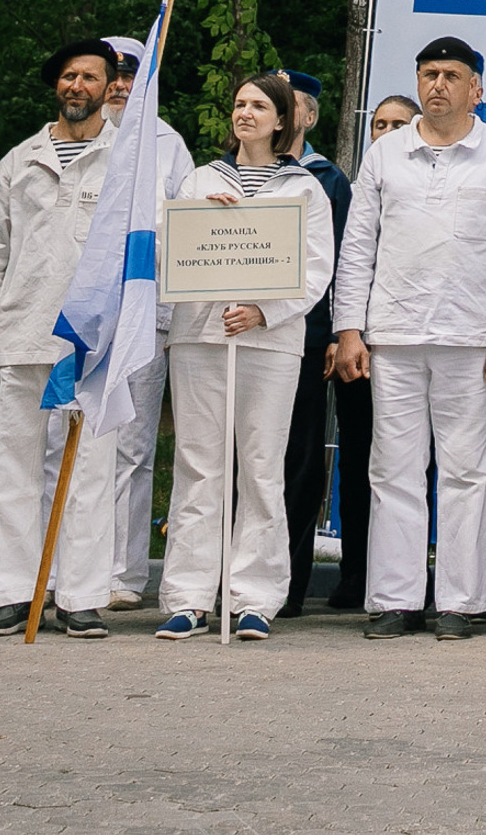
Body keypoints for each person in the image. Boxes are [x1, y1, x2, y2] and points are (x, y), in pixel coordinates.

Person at [332, 35, 486, 640]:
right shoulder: (385, 155)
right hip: (392, 334)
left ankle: (461, 600)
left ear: (476, 87)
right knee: (392, 470)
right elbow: (357, 250)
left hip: (471, 338)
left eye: (451, 75)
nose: (438, 85)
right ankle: (395, 598)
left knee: (466, 472)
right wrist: (350, 330)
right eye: (428, 74)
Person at [154, 71, 335, 640]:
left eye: (259, 106)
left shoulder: (304, 186)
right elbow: (167, 248)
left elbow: (315, 268)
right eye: (239, 104)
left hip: (269, 343)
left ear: (283, 119)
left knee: (260, 467)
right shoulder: (199, 179)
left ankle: (254, 596)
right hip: (200, 336)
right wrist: (204, 218)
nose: (246, 113)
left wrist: (265, 309)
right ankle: (188, 595)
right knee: (199, 464)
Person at [0, 35, 122, 637]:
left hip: (92, 343)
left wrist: (129, 336)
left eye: (89, 77)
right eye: (68, 77)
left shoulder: (126, 165)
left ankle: (79, 596)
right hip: (24, 332)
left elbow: (145, 253)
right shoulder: (20, 160)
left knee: (89, 470)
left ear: (110, 88)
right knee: (17, 466)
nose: (77, 86)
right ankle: (15, 592)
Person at [86, 32, 194, 610]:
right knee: (69, 442)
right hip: (80, 319)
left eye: (131, 78)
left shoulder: (167, 145)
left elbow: (179, 232)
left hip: (143, 319)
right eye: (114, 77)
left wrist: (172, 322)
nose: (121, 87)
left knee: (131, 446)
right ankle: (66, 564)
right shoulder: (74, 137)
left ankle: (123, 574)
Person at [318, 92, 415, 611]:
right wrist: (342, 333)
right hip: (360, 349)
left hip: (414, 345)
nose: (387, 130)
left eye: (400, 122)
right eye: (379, 122)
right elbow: (337, 267)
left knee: (412, 468)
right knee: (359, 463)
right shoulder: (348, 191)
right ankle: (356, 573)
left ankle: (409, 577)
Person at [277, 71, 353, 618]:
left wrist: (332, 331)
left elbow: (342, 264)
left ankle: (289, 582)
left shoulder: (327, 180)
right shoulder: (223, 176)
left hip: (302, 339)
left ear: (308, 117)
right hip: (235, 336)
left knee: (298, 460)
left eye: (290, 105)